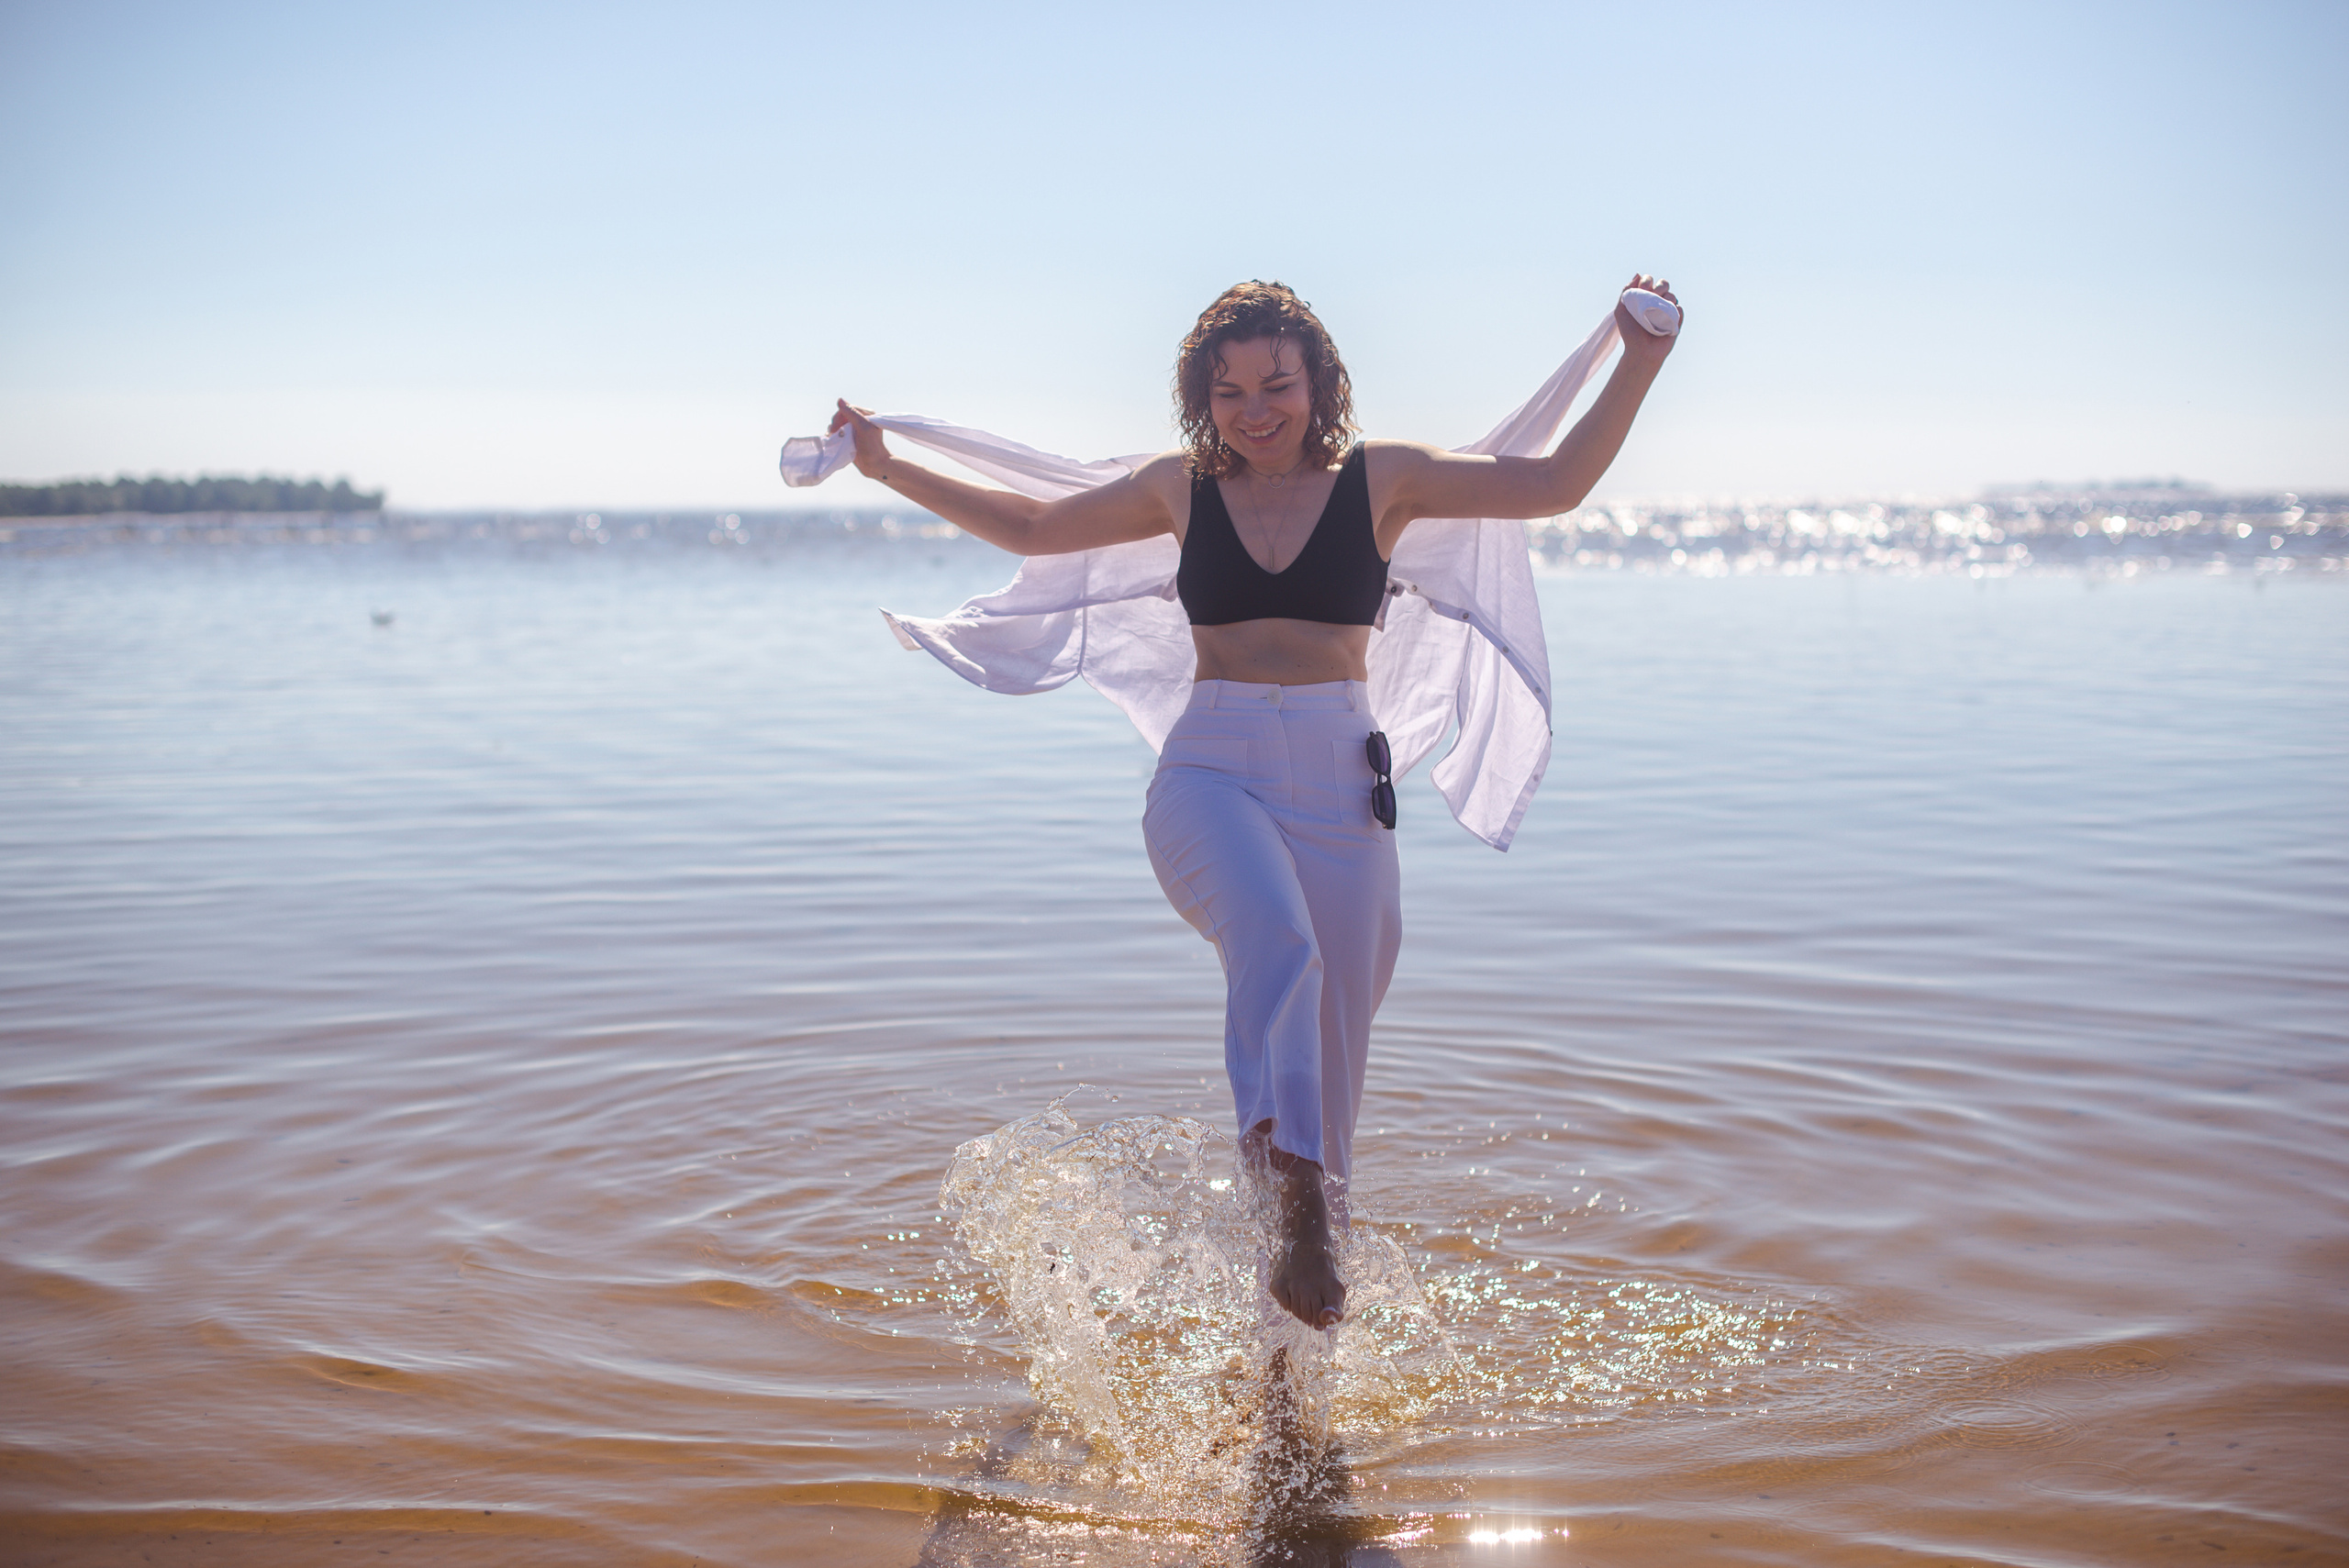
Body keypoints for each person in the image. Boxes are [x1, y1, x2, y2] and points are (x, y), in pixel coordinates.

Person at [828, 276, 1680, 1329]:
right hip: (1209, 769)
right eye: (1228, 392)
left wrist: (1638, 353)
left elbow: (1552, 482)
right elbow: (1036, 525)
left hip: (1340, 782)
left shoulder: (1386, 478)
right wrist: (888, 464)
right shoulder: (1178, 488)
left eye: (1276, 383)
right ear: (1203, 401)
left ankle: (1290, 1373)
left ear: (1319, 383)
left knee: (1329, 1072)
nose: (1255, 410)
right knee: (1278, 945)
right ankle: (1302, 1226)